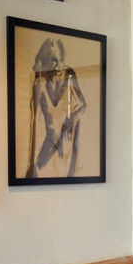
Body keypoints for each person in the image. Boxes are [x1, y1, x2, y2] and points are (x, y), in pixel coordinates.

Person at [26, 37, 87, 178]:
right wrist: (31, 163)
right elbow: (35, 124)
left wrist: (70, 117)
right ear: (46, 60)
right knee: (38, 174)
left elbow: (82, 104)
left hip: (66, 143)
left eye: (61, 60)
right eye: (54, 60)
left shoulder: (69, 75)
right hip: (48, 145)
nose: (58, 65)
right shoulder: (39, 84)